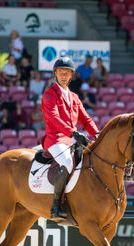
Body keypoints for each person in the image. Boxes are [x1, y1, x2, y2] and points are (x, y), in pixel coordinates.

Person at [41, 57, 99, 220]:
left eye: (67, 73)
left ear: (72, 75)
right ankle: (56, 206)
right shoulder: (49, 95)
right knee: (67, 162)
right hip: (55, 140)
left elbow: (85, 118)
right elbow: (52, 118)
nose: (64, 76)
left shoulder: (74, 97)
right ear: (55, 74)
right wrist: (73, 132)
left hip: (71, 140)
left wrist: (97, 134)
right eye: (61, 73)